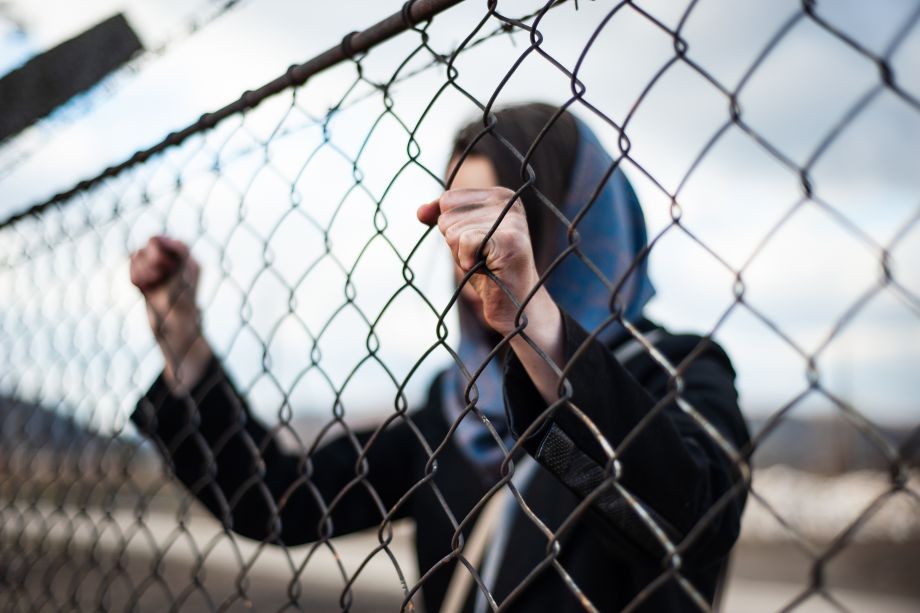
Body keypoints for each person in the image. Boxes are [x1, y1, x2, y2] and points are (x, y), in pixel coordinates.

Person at [129, 103, 750, 612]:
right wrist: (184, 341)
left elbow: (689, 524)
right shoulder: (456, 405)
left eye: (497, 218)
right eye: (458, 219)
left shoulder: (676, 372)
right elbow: (278, 500)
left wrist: (536, 323)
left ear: (570, 226)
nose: (472, 251)